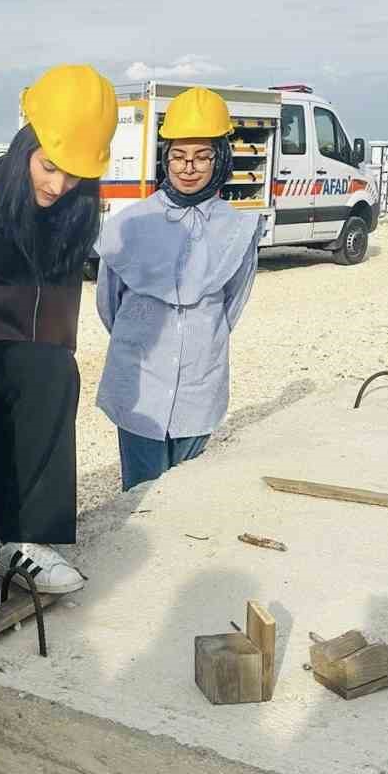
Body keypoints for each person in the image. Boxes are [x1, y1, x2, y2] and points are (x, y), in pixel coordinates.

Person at [0, 63, 117, 595]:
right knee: (36, 375)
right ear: (26, 147)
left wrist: (54, 377)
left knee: (51, 372)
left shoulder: (72, 213)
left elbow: (61, 305)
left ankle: (25, 542)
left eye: (74, 177)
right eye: (49, 167)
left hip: (30, 363)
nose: (59, 185)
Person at [95, 86, 262, 489]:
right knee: (138, 497)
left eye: (202, 157)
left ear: (220, 158)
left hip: (198, 385)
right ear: (164, 158)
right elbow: (108, 305)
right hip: (139, 384)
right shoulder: (129, 224)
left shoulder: (237, 228)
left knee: (187, 495)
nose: (189, 168)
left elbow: (233, 303)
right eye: (178, 157)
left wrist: (197, 340)